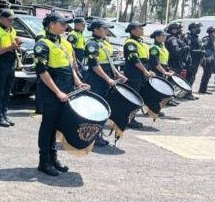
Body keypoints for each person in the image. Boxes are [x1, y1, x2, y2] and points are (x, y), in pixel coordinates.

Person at [34, 12, 89, 176]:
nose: (66, 27)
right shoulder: (42, 44)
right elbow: (42, 72)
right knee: (48, 126)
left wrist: (78, 82)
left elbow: (71, 66)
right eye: (62, 24)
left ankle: (53, 158)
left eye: (66, 24)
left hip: (66, 92)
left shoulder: (64, 43)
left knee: (57, 126)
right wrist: (58, 92)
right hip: (51, 93)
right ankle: (44, 162)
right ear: (51, 24)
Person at [83, 19, 126, 147]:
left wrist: (118, 75)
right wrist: (107, 79)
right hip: (96, 80)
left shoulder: (104, 43)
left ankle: (98, 135)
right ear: (96, 30)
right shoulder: (92, 44)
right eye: (104, 28)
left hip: (106, 79)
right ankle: (93, 136)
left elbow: (110, 62)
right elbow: (94, 65)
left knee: (103, 108)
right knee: (95, 109)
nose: (107, 31)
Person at [0, 9, 21, 127]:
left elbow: (13, 46)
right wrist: (10, 47)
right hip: (0, 64)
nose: (11, 21)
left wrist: (17, 45)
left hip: (10, 63)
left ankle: (4, 113)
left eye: (12, 19)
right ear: (2, 19)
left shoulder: (12, 30)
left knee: (7, 91)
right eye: (9, 19)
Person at [123, 21, 155, 129]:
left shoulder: (140, 42)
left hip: (140, 73)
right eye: (140, 28)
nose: (142, 30)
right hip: (134, 73)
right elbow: (135, 60)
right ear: (133, 30)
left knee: (139, 96)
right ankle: (128, 119)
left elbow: (145, 60)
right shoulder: (130, 43)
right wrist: (145, 71)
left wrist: (148, 70)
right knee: (133, 96)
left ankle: (132, 117)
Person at [199, 26, 215, 94]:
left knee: (209, 75)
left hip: (212, 59)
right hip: (207, 59)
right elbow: (203, 48)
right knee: (206, 74)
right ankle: (202, 89)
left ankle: (204, 88)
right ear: (211, 32)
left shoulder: (214, 39)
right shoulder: (206, 39)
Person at [184, 22, 204, 86]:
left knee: (193, 77)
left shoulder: (197, 38)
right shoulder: (189, 37)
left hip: (196, 61)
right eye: (197, 27)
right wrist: (199, 51)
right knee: (189, 78)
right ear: (192, 29)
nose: (199, 29)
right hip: (191, 61)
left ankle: (189, 93)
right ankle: (186, 94)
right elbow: (188, 49)